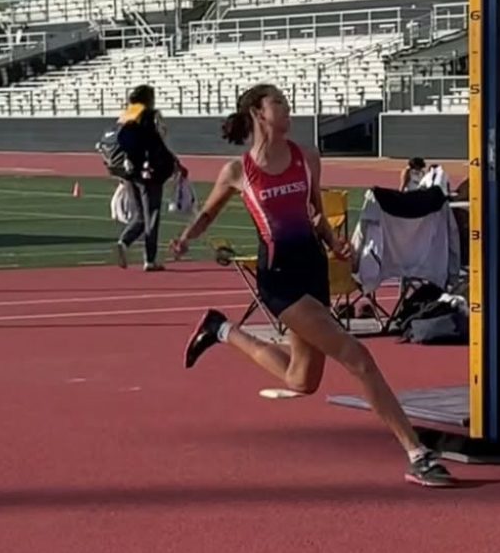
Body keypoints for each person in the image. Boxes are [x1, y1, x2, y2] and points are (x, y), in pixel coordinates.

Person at [170, 84, 455, 488]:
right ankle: (417, 453)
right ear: (257, 112)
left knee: (301, 381)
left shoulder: (307, 159)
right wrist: (185, 239)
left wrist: (335, 243)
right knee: (356, 356)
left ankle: (221, 329)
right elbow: (208, 213)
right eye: (279, 103)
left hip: (313, 269)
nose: (288, 109)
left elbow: (315, 214)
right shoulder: (239, 171)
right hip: (280, 279)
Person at [114, 85, 185, 272]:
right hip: (149, 172)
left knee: (139, 215)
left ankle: (124, 241)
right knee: (151, 215)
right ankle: (150, 259)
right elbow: (156, 144)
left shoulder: (127, 115)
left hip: (129, 171)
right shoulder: (149, 116)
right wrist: (173, 162)